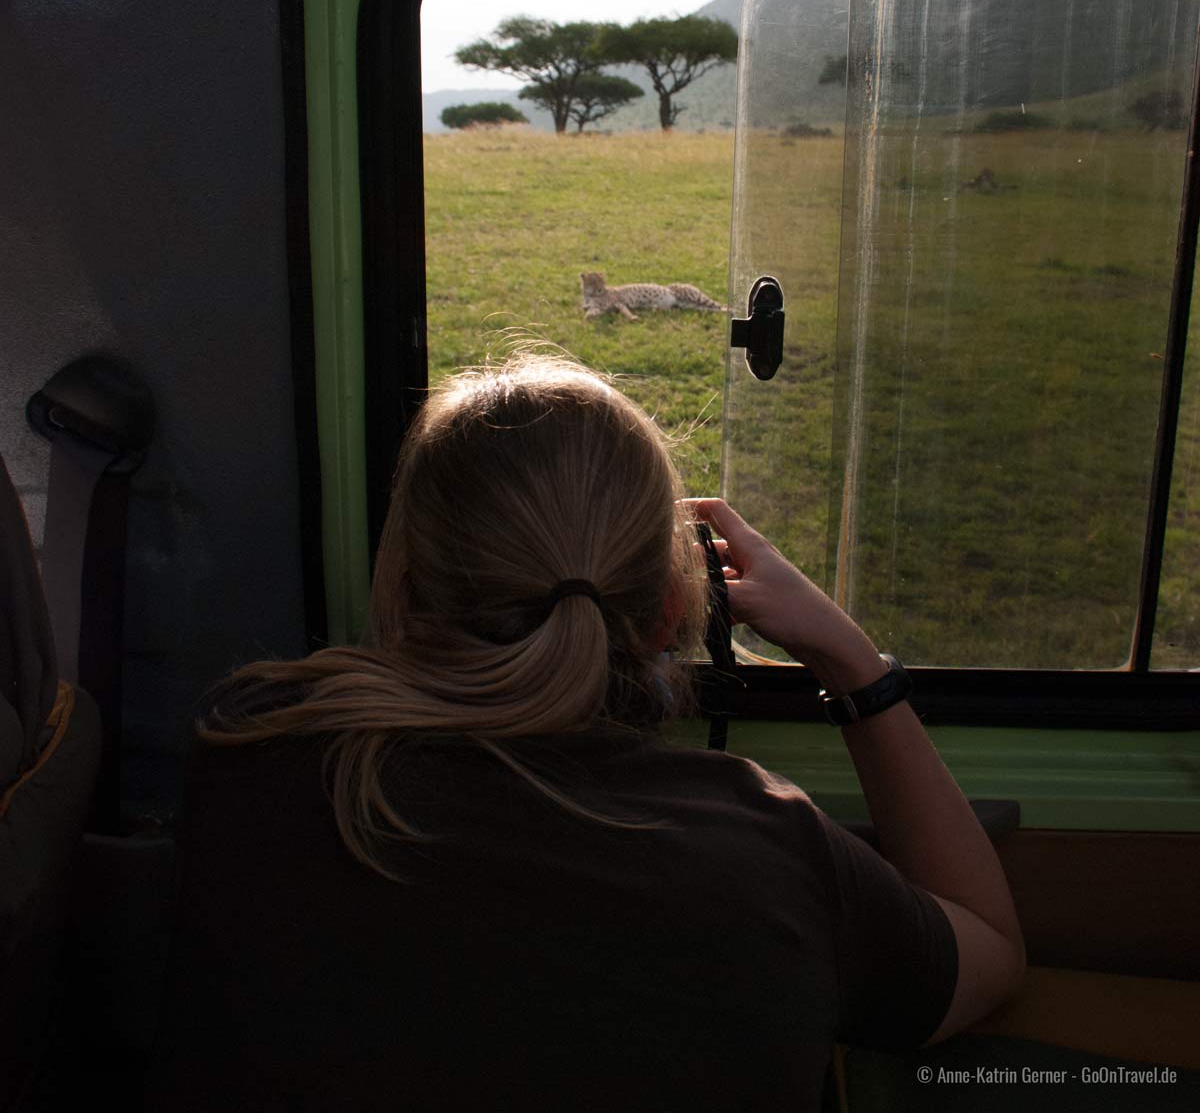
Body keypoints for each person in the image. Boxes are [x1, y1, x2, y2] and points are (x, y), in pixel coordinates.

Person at [146, 353, 1024, 1112]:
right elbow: (991, 948)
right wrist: (850, 659)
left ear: (405, 589)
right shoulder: (767, 849)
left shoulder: (256, 755)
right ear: (672, 612)